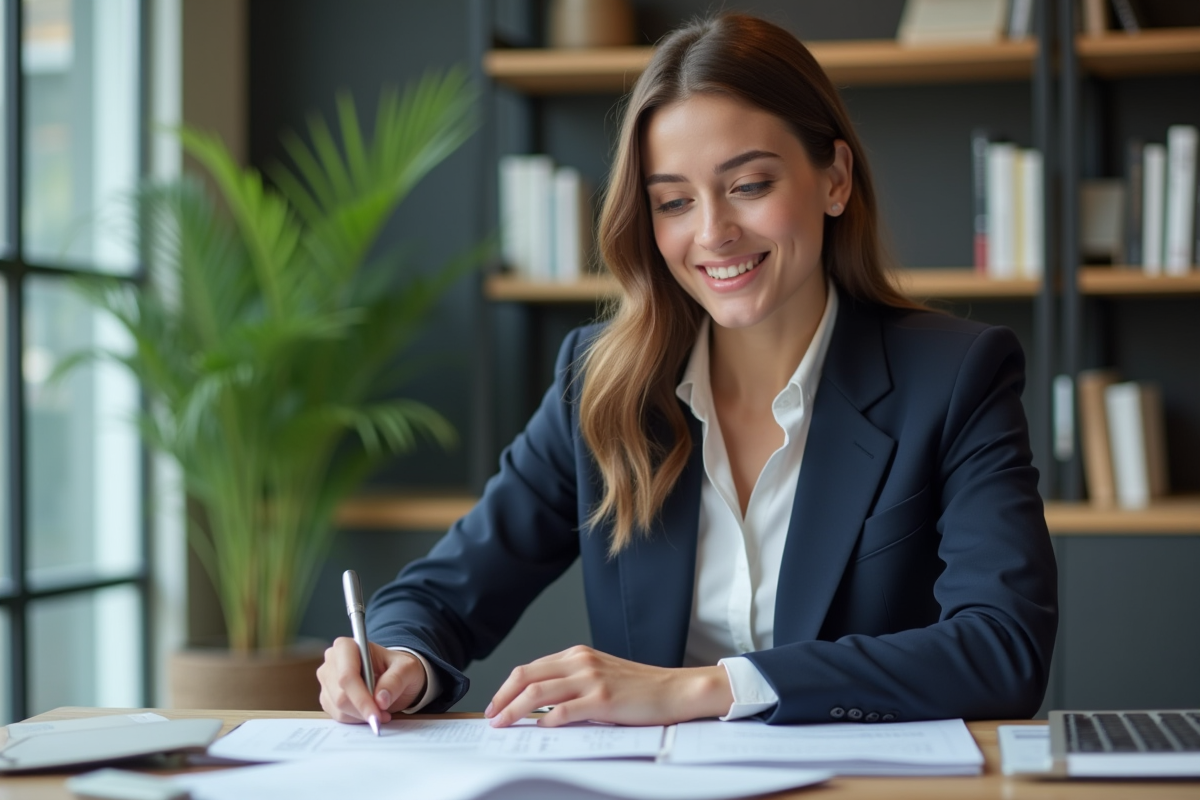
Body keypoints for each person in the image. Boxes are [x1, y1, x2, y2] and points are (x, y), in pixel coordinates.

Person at [317, 12, 1058, 729]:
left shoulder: (956, 376)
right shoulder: (599, 383)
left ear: (835, 179)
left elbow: (1002, 649)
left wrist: (702, 689)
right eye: (673, 201)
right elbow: (443, 594)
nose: (712, 233)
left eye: (750, 185)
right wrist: (398, 657)